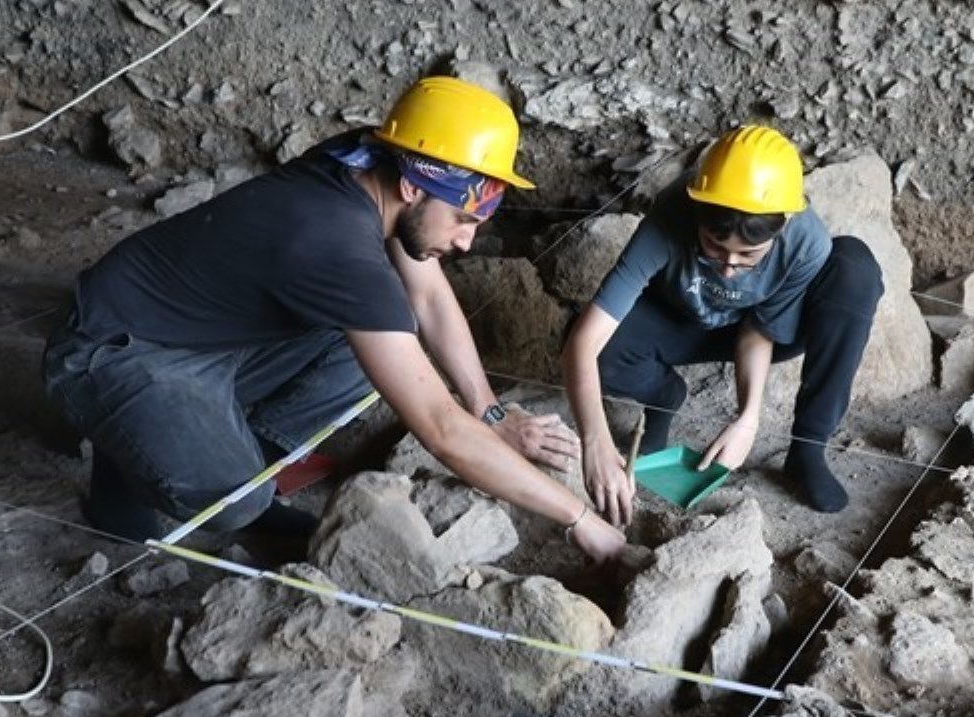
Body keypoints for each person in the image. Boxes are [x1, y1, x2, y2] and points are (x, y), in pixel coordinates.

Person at [43, 76, 626, 563]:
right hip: (111, 350)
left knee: (373, 342)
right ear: (412, 186)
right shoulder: (335, 245)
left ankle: (223, 448)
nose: (468, 242)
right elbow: (441, 430)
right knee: (236, 503)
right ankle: (131, 459)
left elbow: (425, 296)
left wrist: (491, 412)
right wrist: (580, 521)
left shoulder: (366, 160)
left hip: (198, 328)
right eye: (462, 220)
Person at [562, 125, 883, 526]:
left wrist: (748, 419)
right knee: (597, 347)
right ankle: (663, 397)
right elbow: (584, 342)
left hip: (757, 329)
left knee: (855, 269)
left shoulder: (805, 240)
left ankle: (807, 450)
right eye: (714, 247)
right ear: (697, 212)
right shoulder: (671, 213)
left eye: (748, 255)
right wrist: (595, 441)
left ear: (782, 224)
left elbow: (759, 330)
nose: (729, 269)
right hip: (682, 317)